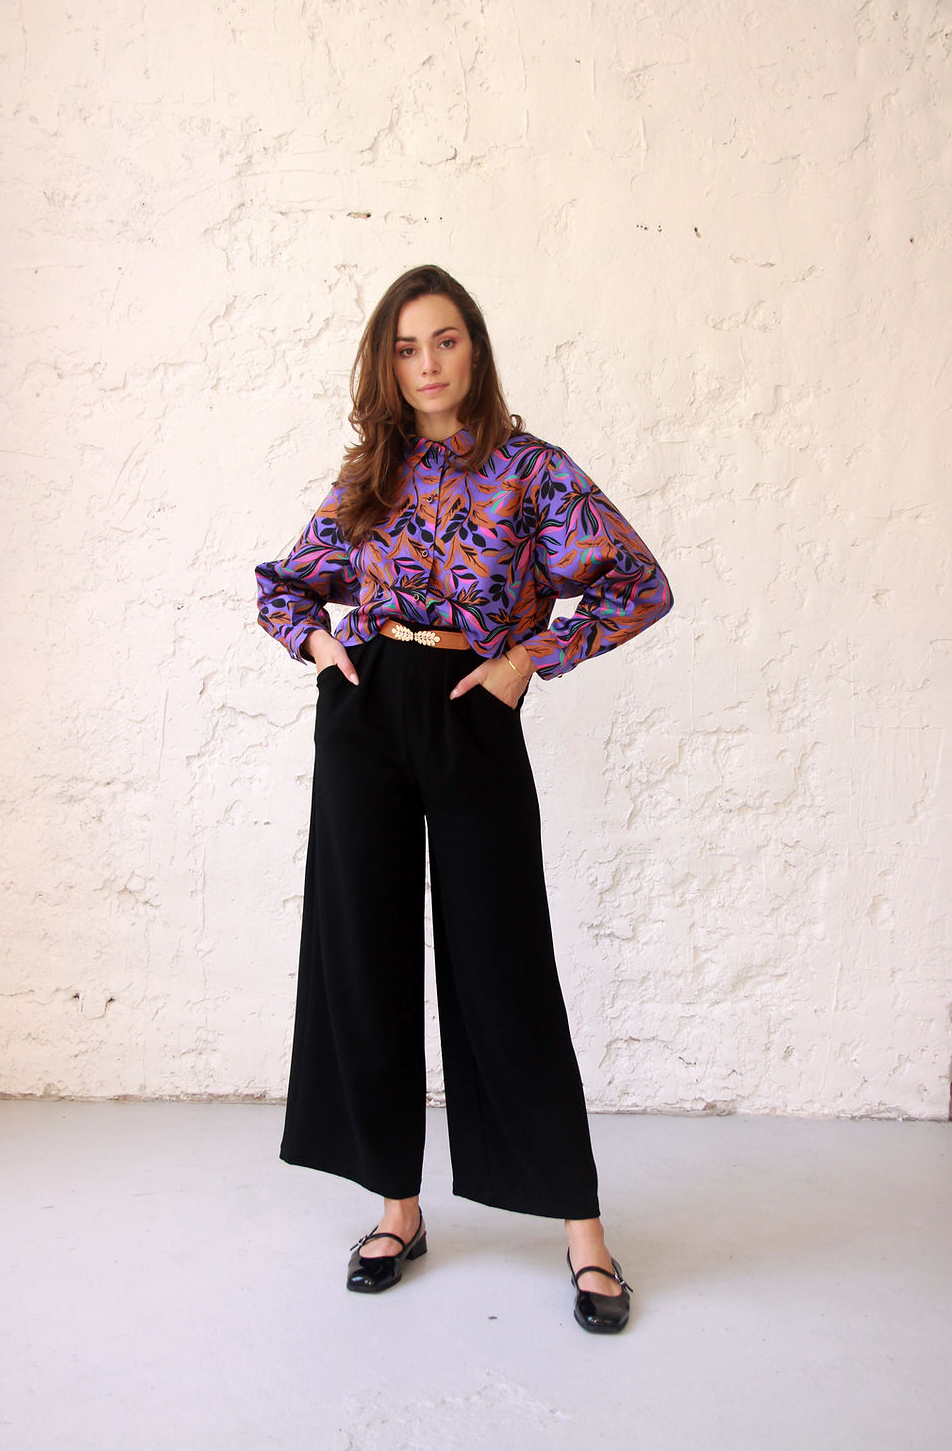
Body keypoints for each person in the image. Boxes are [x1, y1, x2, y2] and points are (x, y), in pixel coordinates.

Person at [255, 264, 673, 1334]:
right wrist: (322, 650)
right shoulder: (372, 472)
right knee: (365, 956)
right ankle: (397, 1209)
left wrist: (528, 659)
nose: (427, 363)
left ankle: (583, 1233)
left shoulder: (532, 471)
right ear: (385, 365)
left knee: (503, 961)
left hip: (470, 706)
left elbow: (638, 584)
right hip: (366, 713)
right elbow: (282, 585)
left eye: (444, 340)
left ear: (474, 348)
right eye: (405, 348)